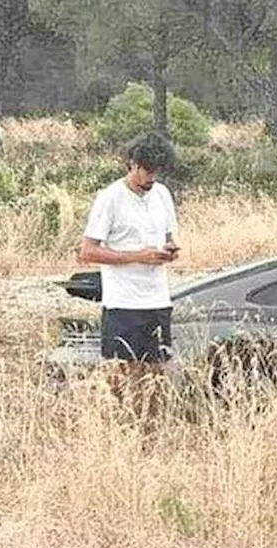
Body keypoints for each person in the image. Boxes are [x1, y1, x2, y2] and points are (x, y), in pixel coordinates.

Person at [79, 132, 181, 415]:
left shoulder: (161, 194)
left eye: (157, 172)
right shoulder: (110, 198)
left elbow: (169, 235)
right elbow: (87, 251)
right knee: (121, 376)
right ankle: (117, 426)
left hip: (157, 299)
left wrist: (169, 250)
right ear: (132, 164)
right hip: (124, 303)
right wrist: (138, 256)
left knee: (157, 376)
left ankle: (150, 432)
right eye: (148, 171)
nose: (152, 177)